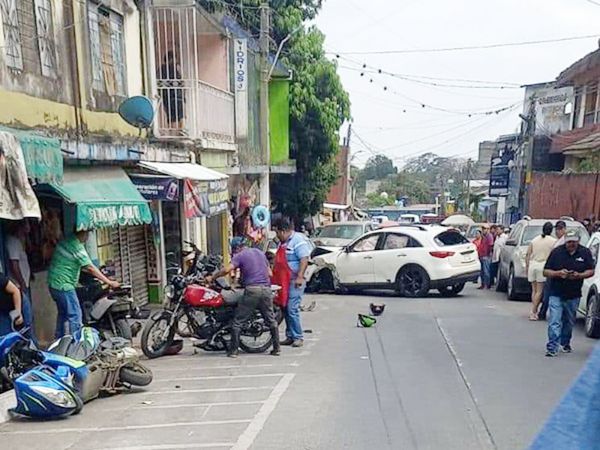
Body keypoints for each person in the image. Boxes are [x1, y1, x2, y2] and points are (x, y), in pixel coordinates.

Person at [208, 237, 280, 358]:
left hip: (252, 290)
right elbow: (270, 273)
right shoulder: (260, 253)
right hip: (267, 289)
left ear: (237, 248)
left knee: (238, 322)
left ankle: (233, 351)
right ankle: (277, 348)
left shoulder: (240, 255)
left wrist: (213, 277)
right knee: (271, 320)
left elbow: (227, 269)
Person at [47, 230, 120, 338]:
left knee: (63, 314)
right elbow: (90, 268)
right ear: (84, 233)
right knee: (75, 315)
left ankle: (59, 339)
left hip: (53, 284)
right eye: (88, 233)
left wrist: (101, 276)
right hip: (64, 285)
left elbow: (79, 265)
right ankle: (77, 343)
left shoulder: (66, 241)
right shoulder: (77, 246)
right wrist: (109, 282)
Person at [542, 230, 595, 357]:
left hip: (573, 294)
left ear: (578, 241)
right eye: (569, 242)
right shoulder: (557, 252)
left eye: (574, 242)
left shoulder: (585, 252)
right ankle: (552, 346)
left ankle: (565, 342)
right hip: (556, 292)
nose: (571, 244)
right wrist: (558, 273)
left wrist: (579, 275)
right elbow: (545, 271)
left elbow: (591, 270)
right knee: (554, 320)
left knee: (569, 321)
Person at [272, 218, 311, 347]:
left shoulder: (297, 240)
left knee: (292, 308)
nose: (277, 235)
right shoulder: (283, 243)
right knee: (285, 307)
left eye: (277, 232)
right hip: (284, 281)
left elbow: (304, 259)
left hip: (295, 280)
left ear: (283, 231)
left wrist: (300, 276)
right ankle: (290, 336)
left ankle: (298, 337)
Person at [5, 220, 34, 340]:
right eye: (26, 224)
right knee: (27, 320)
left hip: (22, 284)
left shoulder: (19, 241)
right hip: (18, 285)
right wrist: (22, 283)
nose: (29, 227)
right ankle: (31, 344)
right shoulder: (12, 242)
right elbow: (14, 265)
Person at [525, 222, 556, 321]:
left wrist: (527, 266)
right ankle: (533, 311)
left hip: (533, 265)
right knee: (540, 291)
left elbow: (528, 254)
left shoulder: (534, 240)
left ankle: (533, 309)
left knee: (534, 290)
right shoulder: (553, 241)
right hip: (542, 266)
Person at [538, 221, 567, 321]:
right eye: (556, 230)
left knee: (548, 292)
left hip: (557, 271)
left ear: (563, 229)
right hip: (553, 270)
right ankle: (543, 311)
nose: (557, 232)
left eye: (559, 229)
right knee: (547, 292)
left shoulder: (563, 242)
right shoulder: (558, 241)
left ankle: (543, 312)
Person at [478, 225, 494, 289]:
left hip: (486, 256)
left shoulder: (489, 236)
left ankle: (487, 284)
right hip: (482, 255)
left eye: (484, 229)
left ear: (487, 229)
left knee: (486, 271)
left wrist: (488, 254)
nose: (483, 230)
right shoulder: (483, 236)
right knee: (482, 271)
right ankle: (483, 284)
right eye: (483, 229)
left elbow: (490, 246)